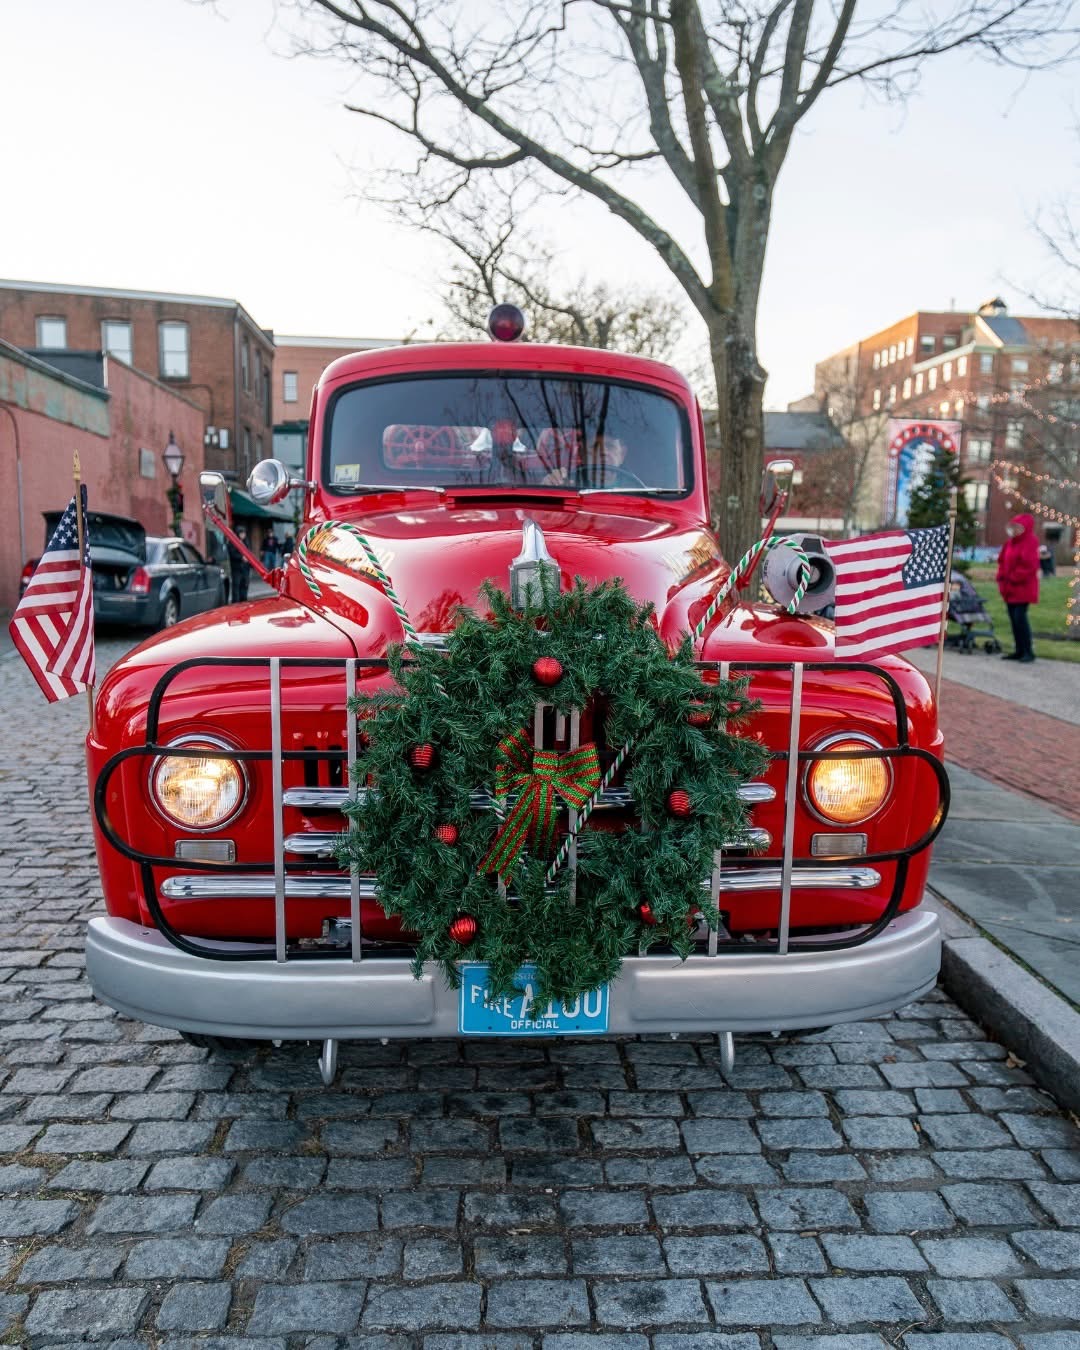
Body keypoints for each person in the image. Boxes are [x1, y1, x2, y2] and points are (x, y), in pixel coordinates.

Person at [996, 512, 1040, 663]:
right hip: (1009, 588)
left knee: (1020, 618)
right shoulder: (1010, 543)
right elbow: (1001, 560)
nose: (1014, 530)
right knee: (1013, 620)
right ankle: (1019, 650)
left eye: (1018, 527)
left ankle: (1028, 651)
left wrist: (1013, 577)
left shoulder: (1030, 542)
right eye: (1013, 527)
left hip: (1022, 588)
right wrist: (1002, 577)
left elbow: (1030, 566)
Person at [228, 526, 251, 603]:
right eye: (241, 533)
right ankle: (236, 603)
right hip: (236, 568)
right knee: (236, 585)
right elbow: (232, 554)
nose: (243, 535)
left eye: (244, 533)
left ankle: (243, 601)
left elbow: (249, 552)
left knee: (244, 585)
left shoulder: (246, 542)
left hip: (245, 568)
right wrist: (241, 557)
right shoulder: (232, 542)